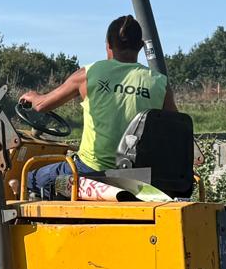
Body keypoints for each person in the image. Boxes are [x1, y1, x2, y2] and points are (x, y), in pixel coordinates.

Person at [20, 15, 177, 199]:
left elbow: (41, 106)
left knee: (30, 178)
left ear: (108, 45)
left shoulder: (89, 73)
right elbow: (175, 128)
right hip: (139, 175)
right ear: (140, 46)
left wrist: (32, 97)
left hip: (90, 170)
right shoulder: (159, 83)